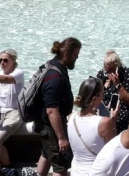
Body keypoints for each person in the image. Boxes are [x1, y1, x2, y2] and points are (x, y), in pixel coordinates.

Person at [36, 37, 82, 176]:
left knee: (47, 154)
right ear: (67, 54)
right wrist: (61, 138)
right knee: (60, 165)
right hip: (50, 126)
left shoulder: (53, 65)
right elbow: (51, 110)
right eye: (75, 55)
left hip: (44, 124)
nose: (77, 58)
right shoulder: (55, 77)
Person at [69, 78, 118, 176]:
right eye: (102, 94)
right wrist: (113, 121)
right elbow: (114, 149)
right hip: (96, 172)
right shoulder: (104, 122)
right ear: (94, 99)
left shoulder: (71, 117)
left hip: (76, 171)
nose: (103, 97)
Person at [97, 50, 129, 134]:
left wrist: (118, 84)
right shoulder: (102, 75)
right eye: (107, 71)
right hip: (106, 113)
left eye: (112, 71)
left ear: (117, 67)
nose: (109, 73)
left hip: (124, 115)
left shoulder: (127, 75)